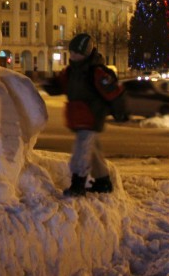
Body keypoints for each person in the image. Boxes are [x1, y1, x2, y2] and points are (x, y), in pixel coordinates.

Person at [42, 33, 127, 197]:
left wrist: (120, 113)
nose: (73, 55)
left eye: (77, 52)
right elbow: (60, 85)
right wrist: (50, 85)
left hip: (91, 116)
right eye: (72, 52)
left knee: (81, 151)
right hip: (78, 116)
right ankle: (103, 181)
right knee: (93, 150)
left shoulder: (96, 72)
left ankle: (78, 184)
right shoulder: (72, 71)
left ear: (86, 53)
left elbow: (114, 92)